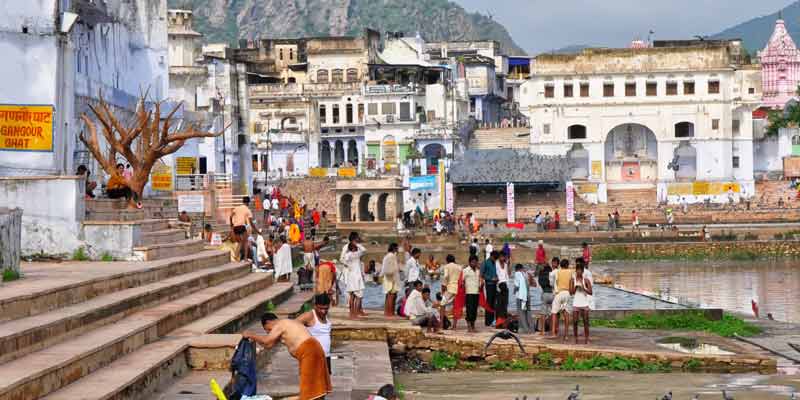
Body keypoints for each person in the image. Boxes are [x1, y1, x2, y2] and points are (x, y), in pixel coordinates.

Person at [242, 313, 332, 400]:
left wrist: (251, 334)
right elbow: (268, 345)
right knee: (316, 387)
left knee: (308, 390)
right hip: (315, 349)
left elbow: (267, 340)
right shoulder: (287, 325)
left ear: (269, 322)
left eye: (268, 330)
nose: (269, 332)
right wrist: (255, 340)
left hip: (309, 351)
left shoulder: (281, 324)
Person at [296, 293, 333, 374]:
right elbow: (292, 325)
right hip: (312, 357)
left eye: (326, 308)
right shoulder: (309, 316)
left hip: (326, 356)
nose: (323, 311)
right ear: (315, 306)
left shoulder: (327, 315)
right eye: (321, 308)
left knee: (325, 385)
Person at [340, 233, 367, 319]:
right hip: (355, 275)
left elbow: (344, 259)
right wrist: (357, 245)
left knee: (352, 295)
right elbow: (364, 250)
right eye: (356, 239)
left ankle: (353, 313)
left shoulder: (349, 255)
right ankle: (354, 312)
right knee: (358, 295)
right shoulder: (355, 253)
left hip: (352, 274)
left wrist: (348, 265)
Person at [571, 260, 593, 344]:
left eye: (580, 270)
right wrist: (576, 287)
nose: (579, 272)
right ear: (576, 271)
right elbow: (571, 292)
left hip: (584, 303)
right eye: (578, 270)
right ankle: (575, 338)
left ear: (583, 271)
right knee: (575, 322)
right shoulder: (573, 280)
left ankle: (587, 339)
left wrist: (583, 288)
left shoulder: (586, 280)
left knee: (586, 321)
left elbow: (591, 292)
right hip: (576, 303)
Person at [551, 258, 573, 341]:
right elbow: (571, 283)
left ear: (560, 265)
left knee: (554, 312)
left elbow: (553, 281)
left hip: (559, 293)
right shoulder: (570, 272)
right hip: (567, 293)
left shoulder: (557, 271)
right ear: (567, 265)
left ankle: (553, 333)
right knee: (566, 314)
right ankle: (566, 335)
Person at [230, 196, 255, 262]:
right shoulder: (247, 210)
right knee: (246, 241)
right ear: (248, 203)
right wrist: (257, 230)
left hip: (235, 227)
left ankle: (235, 256)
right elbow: (251, 222)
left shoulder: (237, 208)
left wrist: (231, 224)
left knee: (240, 242)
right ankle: (245, 258)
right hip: (241, 226)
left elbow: (230, 216)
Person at [461, 255, 481, 333]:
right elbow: (462, 281)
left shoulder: (478, 271)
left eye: (475, 262)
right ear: (469, 262)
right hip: (469, 292)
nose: (474, 263)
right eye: (473, 262)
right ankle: (469, 325)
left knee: (474, 310)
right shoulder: (465, 270)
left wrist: (481, 285)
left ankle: (473, 325)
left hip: (476, 292)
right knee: (469, 309)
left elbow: (480, 280)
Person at [440, 254, 461, 326]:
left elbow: (445, 277)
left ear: (447, 260)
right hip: (458, 289)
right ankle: (454, 325)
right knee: (456, 306)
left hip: (450, 288)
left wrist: (443, 287)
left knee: (442, 304)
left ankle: (441, 323)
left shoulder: (447, 266)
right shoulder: (459, 267)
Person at [382, 243, 401, 317]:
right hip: (391, 279)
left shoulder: (388, 256)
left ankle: (387, 312)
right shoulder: (391, 256)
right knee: (391, 296)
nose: (398, 249)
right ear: (394, 248)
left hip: (388, 278)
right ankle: (390, 313)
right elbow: (391, 269)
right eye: (397, 248)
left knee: (389, 295)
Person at [480, 251, 499, 327]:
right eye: (494, 258)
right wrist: (491, 278)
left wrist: (497, 278)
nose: (495, 260)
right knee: (489, 302)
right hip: (489, 284)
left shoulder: (495, 263)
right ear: (491, 256)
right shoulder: (485, 263)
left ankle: (492, 320)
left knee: (494, 303)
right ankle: (488, 321)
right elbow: (481, 274)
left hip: (495, 285)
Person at [538, 258, 556, 335]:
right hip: (552, 294)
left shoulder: (541, 275)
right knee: (552, 313)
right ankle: (552, 330)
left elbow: (540, 284)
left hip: (545, 293)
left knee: (543, 313)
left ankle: (542, 331)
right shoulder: (551, 274)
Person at [514, 264, 533, 334]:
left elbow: (516, 286)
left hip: (520, 296)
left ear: (516, 269)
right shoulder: (526, 274)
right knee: (528, 312)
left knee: (521, 313)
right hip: (528, 296)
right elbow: (533, 284)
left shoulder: (517, 274)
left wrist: (514, 291)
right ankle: (531, 329)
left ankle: (524, 330)